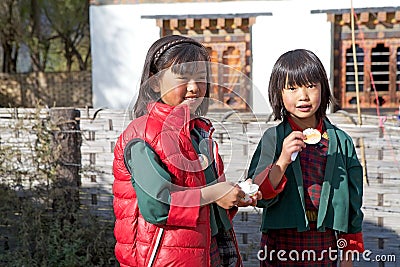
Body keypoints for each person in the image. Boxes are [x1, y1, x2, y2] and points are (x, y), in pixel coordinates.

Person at [113, 35, 260, 267]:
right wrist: (214, 193)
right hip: (163, 259)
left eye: (201, 78)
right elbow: (158, 206)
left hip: (209, 252)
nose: (194, 88)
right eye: (183, 79)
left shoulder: (200, 134)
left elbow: (210, 203)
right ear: (154, 81)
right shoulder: (142, 135)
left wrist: (233, 197)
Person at [248, 49, 364, 267]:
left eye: (311, 86)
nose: (303, 96)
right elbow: (258, 195)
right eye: (292, 88)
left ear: (323, 88)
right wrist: (282, 160)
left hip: (325, 243)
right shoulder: (273, 138)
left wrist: (348, 256)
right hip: (280, 243)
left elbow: (354, 203)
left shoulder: (340, 141)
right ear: (279, 93)